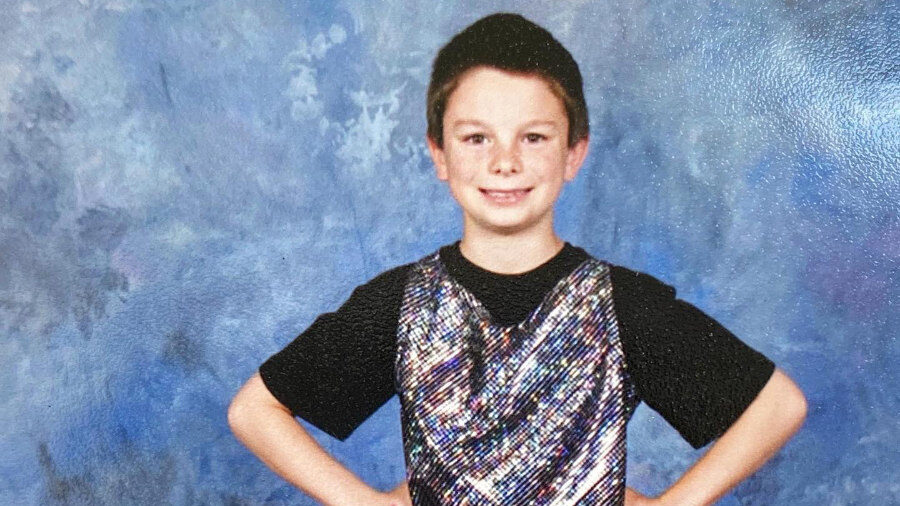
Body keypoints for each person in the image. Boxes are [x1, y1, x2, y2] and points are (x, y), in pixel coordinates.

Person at [228, 12, 807, 506]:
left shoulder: (621, 305)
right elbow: (255, 411)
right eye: (477, 138)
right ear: (439, 154)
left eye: (533, 137)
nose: (504, 162)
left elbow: (777, 405)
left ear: (574, 152)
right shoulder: (401, 304)